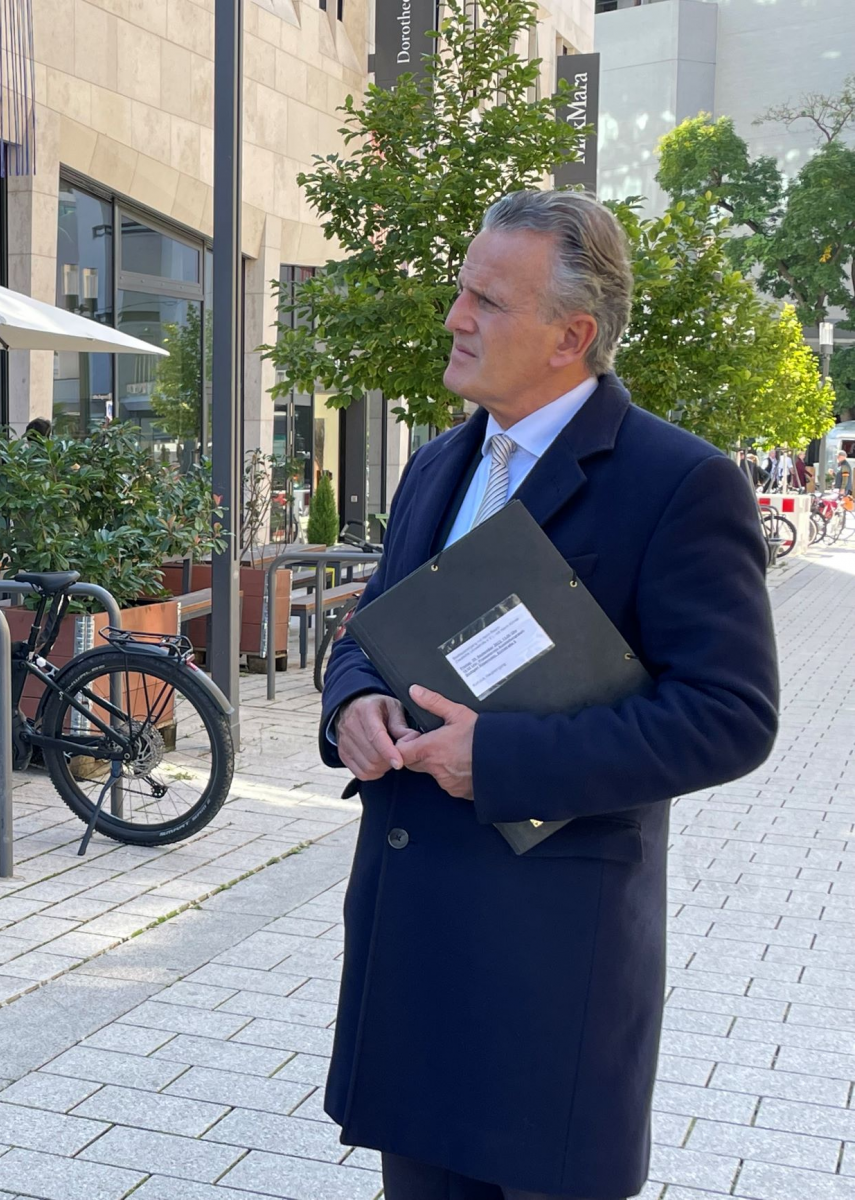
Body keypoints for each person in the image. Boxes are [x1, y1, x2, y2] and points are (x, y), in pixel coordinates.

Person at [320, 189, 778, 1200]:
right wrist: (350, 700)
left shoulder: (677, 484)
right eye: (461, 290)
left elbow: (732, 716)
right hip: (415, 953)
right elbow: (370, 633)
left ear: (573, 335)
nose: (456, 316)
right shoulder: (437, 463)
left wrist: (502, 761)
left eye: (487, 299)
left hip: (548, 974)